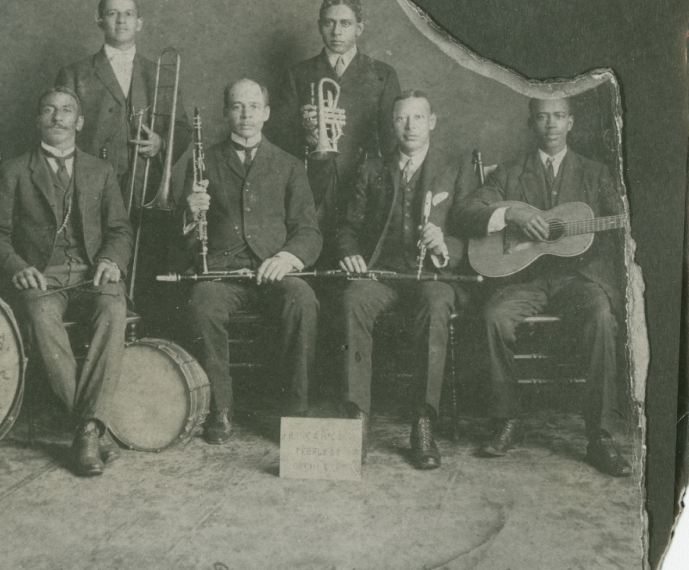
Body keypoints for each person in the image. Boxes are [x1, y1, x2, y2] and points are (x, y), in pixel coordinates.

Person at [455, 96, 630, 477]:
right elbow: (467, 212)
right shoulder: (510, 173)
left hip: (578, 280)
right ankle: (508, 419)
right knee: (492, 317)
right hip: (525, 280)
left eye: (558, 116)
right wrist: (513, 212)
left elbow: (623, 224)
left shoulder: (596, 173)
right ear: (531, 123)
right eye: (542, 117)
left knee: (602, 317)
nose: (550, 124)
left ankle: (600, 436)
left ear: (571, 122)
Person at [0, 87, 134, 477]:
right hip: (41, 275)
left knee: (114, 308)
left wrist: (111, 260)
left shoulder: (101, 172)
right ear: (38, 121)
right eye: (48, 110)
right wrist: (17, 265)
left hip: (91, 272)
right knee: (40, 314)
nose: (58, 117)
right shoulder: (14, 170)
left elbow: (120, 230)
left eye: (67, 111)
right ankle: (91, 430)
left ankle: (87, 427)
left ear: (79, 123)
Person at [337, 91, 473, 468]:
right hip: (381, 274)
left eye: (418, 118)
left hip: (433, 274)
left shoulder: (454, 168)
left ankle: (423, 421)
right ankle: (358, 419)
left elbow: (470, 231)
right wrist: (351, 253)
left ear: (432, 121)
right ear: (392, 124)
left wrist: (445, 243)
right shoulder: (371, 168)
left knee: (436, 303)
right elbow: (347, 226)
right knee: (353, 300)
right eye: (401, 119)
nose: (410, 126)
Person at [182, 78, 322, 443]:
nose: (246, 114)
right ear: (226, 112)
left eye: (254, 106)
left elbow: (309, 231)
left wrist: (287, 258)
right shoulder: (204, 161)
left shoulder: (290, 165)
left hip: (273, 271)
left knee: (303, 299)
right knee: (202, 304)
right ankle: (220, 410)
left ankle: (296, 411)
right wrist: (188, 213)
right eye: (237, 106)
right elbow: (183, 237)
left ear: (267, 113)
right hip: (222, 274)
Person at [269, 0, 401, 269]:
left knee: (354, 264)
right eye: (329, 23)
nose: (337, 31)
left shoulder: (382, 73)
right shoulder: (298, 73)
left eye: (345, 23)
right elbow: (277, 138)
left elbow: (391, 141)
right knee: (311, 260)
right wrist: (305, 130)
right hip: (313, 183)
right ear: (319, 26)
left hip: (362, 184)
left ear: (359, 28)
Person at [56, 0, 192, 212]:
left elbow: (183, 129)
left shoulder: (161, 74)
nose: (121, 20)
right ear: (99, 22)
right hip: (90, 186)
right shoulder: (74, 74)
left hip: (145, 187)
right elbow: (59, 133)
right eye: (112, 13)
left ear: (139, 23)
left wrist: (162, 143)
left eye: (129, 14)